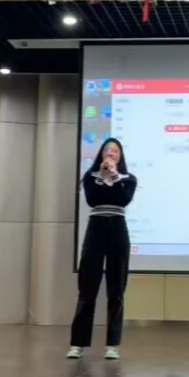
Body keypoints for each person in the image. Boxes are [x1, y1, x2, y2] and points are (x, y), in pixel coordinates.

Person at [67, 138, 137, 360]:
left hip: (118, 230)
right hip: (96, 229)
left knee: (116, 291)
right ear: (101, 154)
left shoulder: (128, 179)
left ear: (120, 156)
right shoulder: (90, 177)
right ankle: (77, 344)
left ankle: (112, 345)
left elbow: (122, 200)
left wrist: (114, 176)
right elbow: (93, 200)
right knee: (87, 289)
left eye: (115, 151)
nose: (111, 154)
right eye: (108, 150)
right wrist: (102, 176)